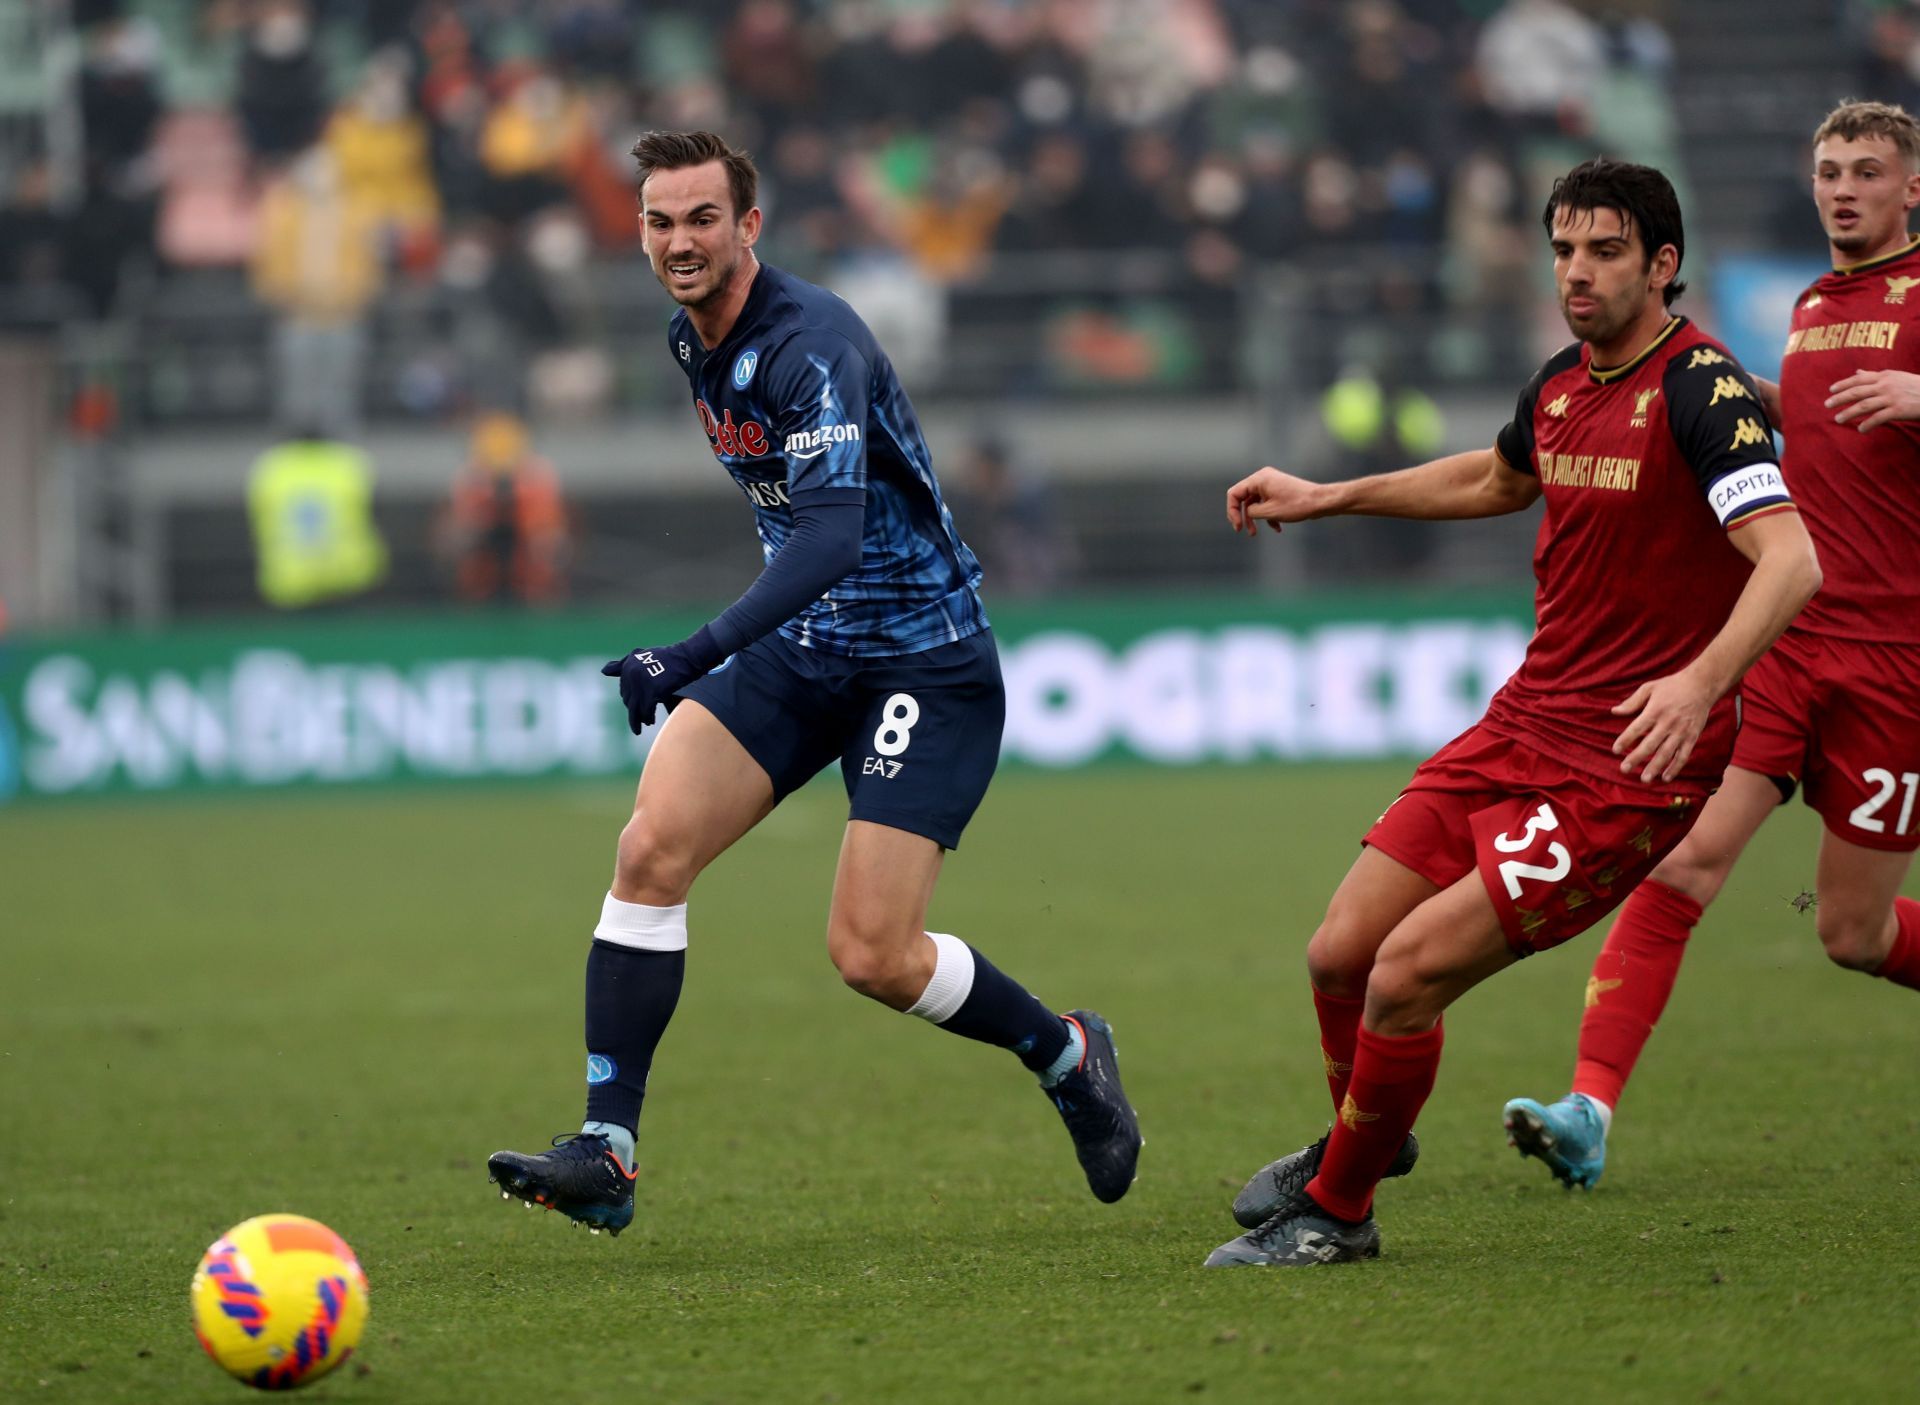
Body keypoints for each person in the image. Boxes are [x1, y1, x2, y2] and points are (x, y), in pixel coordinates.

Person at [486, 130, 1141, 1236]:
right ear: (638, 231)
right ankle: (607, 1149)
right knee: (650, 847)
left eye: (703, 217)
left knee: (871, 956)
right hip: (813, 649)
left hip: (923, 659)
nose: (680, 240)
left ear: (750, 226)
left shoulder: (811, 343)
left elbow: (831, 536)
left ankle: (1065, 1050)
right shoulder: (689, 337)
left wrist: (686, 655)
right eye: (659, 220)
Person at [1205, 157, 1821, 1268]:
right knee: (1340, 953)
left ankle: (1340, 1211)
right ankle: (1370, 1140)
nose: (1576, 274)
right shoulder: (1563, 381)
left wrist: (1700, 682)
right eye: (1564, 251)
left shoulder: (1701, 389)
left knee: (1407, 975)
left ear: (1663, 265)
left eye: (1604, 252)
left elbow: (1790, 559)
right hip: (1525, 722)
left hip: (1626, 767)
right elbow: (1497, 480)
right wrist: (1327, 492)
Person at [1503, 100, 1920, 1188]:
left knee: (1852, 933)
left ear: (1911, 187)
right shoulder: (1816, 301)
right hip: (1789, 631)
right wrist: (1748, 393)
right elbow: (1830, 431)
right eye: (1829, 168)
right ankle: (1588, 1107)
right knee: (1683, 862)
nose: (1842, 188)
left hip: (1896, 657)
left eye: (1867, 170)